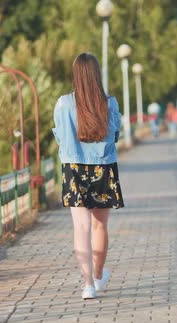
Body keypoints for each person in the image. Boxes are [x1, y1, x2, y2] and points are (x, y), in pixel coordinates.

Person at [52, 53, 124, 300]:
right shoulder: (109, 103)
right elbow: (115, 135)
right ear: (97, 75)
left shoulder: (63, 103)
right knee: (99, 225)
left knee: (81, 227)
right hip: (103, 167)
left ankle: (87, 286)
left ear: (76, 75)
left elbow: (60, 138)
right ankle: (98, 276)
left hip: (73, 169)